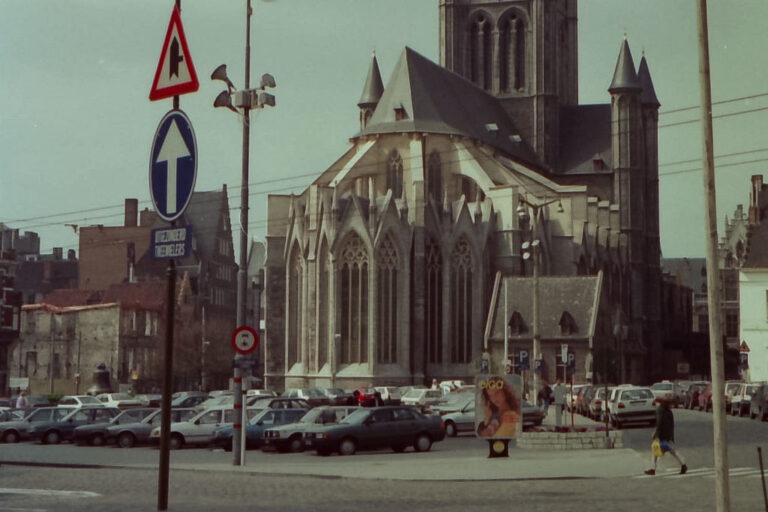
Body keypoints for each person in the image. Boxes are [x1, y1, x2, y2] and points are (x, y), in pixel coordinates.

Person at [645, 397, 687, 475]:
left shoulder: (660, 410)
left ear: (658, 402)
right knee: (672, 452)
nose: (655, 405)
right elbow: (671, 423)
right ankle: (683, 465)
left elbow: (659, 422)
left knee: (655, 451)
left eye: (656, 403)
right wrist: (671, 435)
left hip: (662, 435)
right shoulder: (668, 410)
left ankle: (653, 469)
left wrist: (656, 433)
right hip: (668, 434)